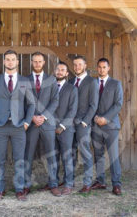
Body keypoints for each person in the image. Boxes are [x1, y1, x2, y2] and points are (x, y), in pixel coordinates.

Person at [0, 50, 35, 201]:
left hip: (19, 126)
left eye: (13, 59)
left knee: (19, 158)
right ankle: (0, 189)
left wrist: (26, 122)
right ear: (4, 62)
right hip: (0, 126)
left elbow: (31, 104)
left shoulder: (24, 81)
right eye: (8, 59)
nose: (11, 62)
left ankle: (19, 189)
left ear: (17, 62)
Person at [24, 52, 60, 197]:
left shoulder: (51, 80)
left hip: (47, 123)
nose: (37, 64)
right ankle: (25, 184)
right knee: (28, 155)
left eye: (40, 61)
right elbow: (20, 101)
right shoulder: (24, 80)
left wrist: (43, 117)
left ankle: (53, 184)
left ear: (44, 62)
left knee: (51, 155)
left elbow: (55, 101)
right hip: (31, 124)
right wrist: (31, 117)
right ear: (31, 62)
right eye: (35, 61)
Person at [91, 57, 123, 195]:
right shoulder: (92, 83)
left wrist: (106, 118)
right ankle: (100, 181)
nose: (101, 69)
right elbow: (88, 103)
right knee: (98, 155)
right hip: (95, 124)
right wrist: (96, 117)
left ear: (108, 68)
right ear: (97, 68)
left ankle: (116, 184)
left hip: (111, 126)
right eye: (99, 67)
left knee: (113, 155)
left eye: (104, 67)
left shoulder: (116, 84)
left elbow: (118, 104)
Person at [69, 55, 98, 193]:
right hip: (69, 123)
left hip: (83, 123)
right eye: (75, 65)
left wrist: (86, 121)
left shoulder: (92, 82)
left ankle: (87, 183)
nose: (77, 67)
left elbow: (93, 105)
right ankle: (70, 180)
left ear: (85, 65)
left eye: (79, 64)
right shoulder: (70, 81)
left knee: (85, 152)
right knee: (70, 152)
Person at [52, 62, 78, 195]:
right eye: (58, 69)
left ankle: (68, 183)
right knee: (53, 157)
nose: (60, 72)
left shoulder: (72, 89)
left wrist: (62, 126)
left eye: (63, 70)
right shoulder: (50, 87)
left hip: (66, 129)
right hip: (50, 128)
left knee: (67, 157)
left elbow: (73, 110)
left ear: (67, 74)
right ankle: (54, 184)